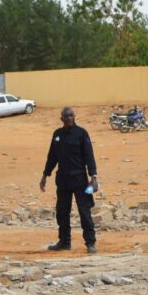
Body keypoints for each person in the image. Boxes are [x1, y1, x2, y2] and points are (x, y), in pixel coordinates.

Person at [40, 107, 99, 254]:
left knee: (84, 212)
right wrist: (45, 175)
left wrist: (94, 177)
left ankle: (90, 243)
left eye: (71, 115)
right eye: (66, 116)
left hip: (80, 180)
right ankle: (64, 242)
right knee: (62, 212)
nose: (69, 118)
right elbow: (52, 157)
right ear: (61, 119)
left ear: (75, 117)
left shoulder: (82, 133)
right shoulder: (57, 135)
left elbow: (89, 156)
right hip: (63, 180)